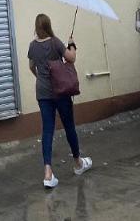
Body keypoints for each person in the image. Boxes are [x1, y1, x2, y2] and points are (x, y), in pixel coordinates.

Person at [27, 13, 91, 189]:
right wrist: (72, 44)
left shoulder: (32, 46)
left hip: (42, 93)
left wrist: (41, 78)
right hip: (60, 92)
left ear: (36, 27)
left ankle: (48, 173)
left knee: (47, 130)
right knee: (69, 126)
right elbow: (71, 58)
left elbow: (31, 66)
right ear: (48, 25)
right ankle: (78, 163)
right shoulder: (55, 42)